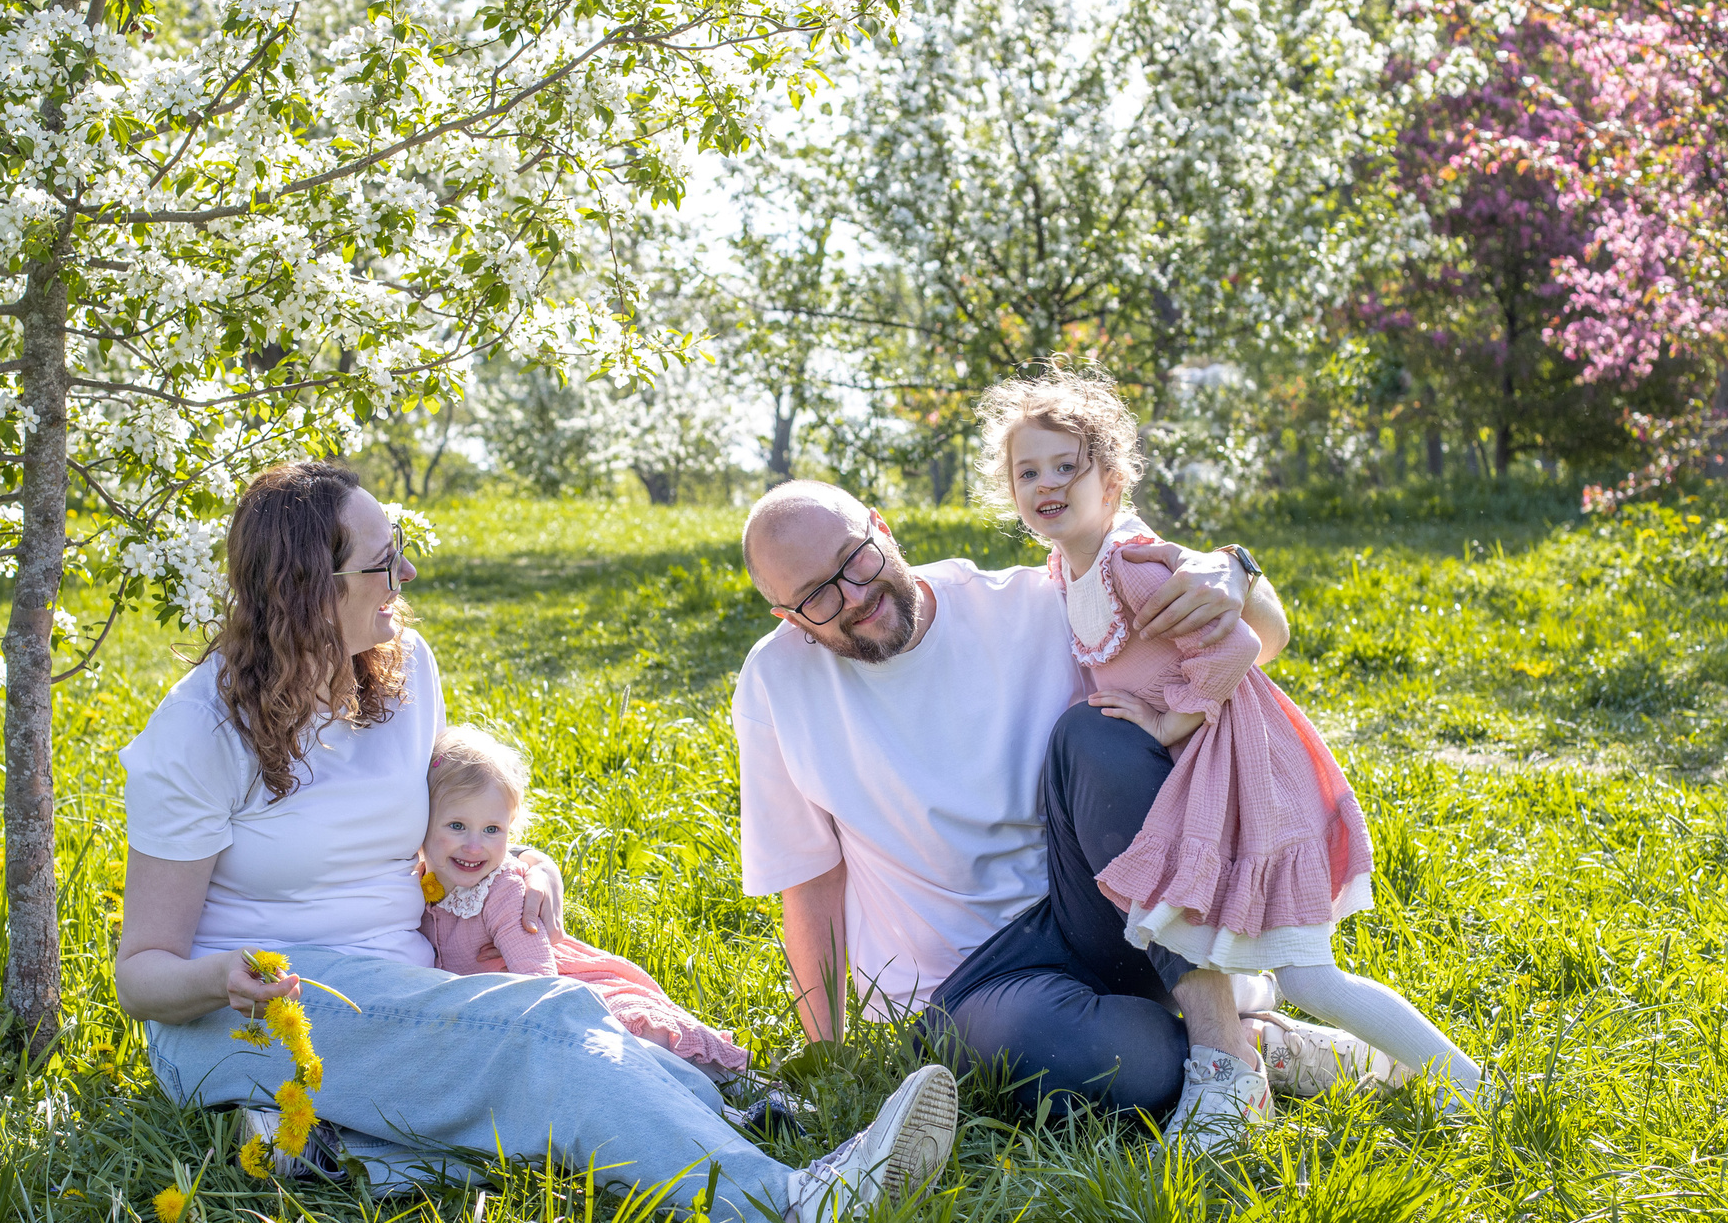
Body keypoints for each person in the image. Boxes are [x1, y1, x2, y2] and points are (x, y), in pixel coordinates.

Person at [114, 458, 958, 1223]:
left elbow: (446, 819)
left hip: (406, 987)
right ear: (309, 591)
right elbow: (141, 977)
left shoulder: (402, 671)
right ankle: (796, 1206)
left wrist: (521, 862)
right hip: (254, 1016)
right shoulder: (197, 732)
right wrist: (221, 975)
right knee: (541, 1029)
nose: (406, 572)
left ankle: (339, 1142)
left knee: (568, 1033)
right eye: (382, 562)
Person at [735, 463, 1382, 1125]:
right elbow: (811, 884)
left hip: (1100, 915)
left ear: (882, 528)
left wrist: (1236, 571)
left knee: (1098, 732)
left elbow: (1257, 640)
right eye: (816, 596)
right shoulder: (776, 683)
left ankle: (1223, 1051)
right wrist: (829, 1059)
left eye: (855, 560)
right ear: (788, 615)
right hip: (967, 985)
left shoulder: (1035, 603)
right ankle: (1260, 1042)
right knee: (1126, 1063)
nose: (853, 596)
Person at [978, 373, 1485, 1144]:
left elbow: (1238, 643)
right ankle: (1289, 1058)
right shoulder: (1067, 570)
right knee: (1245, 950)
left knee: (1309, 973)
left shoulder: (1131, 564)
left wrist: (1166, 718)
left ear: (1110, 483)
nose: (1046, 483)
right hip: (1198, 780)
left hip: (1240, 770)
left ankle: (1473, 1087)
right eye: (1028, 471)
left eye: (1066, 467)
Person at [420, 723, 750, 1075]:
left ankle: (734, 1083)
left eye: (492, 829)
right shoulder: (416, 885)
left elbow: (540, 983)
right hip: (495, 1016)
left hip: (567, 995)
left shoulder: (502, 890)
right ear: (422, 821)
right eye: (457, 826)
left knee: (635, 1037)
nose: (474, 846)